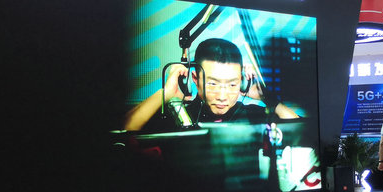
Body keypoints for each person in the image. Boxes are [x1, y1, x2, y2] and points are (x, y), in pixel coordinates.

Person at [123, 38, 298, 131]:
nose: (222, 96)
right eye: (213, 84)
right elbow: (128, 128)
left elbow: (299, 128)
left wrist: (267, 97)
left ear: (242, 82)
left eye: (232, 85)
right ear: (195, 78)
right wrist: (166, 93)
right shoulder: (180, 116)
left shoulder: (251, 115)